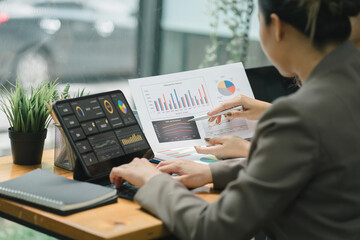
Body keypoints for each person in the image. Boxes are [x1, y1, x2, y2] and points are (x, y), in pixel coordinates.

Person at [110, 0, 360, 239]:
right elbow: (313, 163)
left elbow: (214, 228)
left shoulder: (297, 117)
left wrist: (153, 181)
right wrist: (212, 172)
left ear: (277, 26)